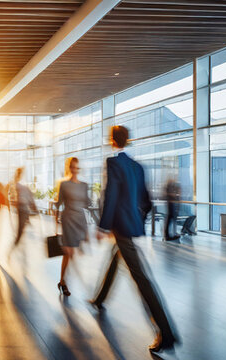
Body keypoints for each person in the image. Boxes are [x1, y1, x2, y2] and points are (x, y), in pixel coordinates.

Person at [93, 125, 176, 353]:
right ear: (127, 140)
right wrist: (137, 218)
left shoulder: (113, 163)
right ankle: (99, 298)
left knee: (141, 279)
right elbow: (147, 201)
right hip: (131, 224)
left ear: (112, 141)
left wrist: (103, 226)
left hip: (120, 227)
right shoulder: (138, 167)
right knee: (116, 257)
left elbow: (110, 196)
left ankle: (166, 333)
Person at [53, 157, 90, 296]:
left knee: (70, 254)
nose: (75, 170)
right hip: (68, 220)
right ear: (69, 168)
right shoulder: (64, 185)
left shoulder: (84, 185)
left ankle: (62, 281)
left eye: (77, 167)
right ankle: (67, 283)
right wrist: (55, 223)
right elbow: (58, 203)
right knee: (69, 252)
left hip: (79, 221)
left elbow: (87, 203)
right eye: (72, 167)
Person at [11, 167, 36, 246]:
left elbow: (28, 196)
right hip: (22, 208)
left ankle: (16, 242)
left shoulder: (21, 185)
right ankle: (16, 243)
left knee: (20, 229)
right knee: (20, 229)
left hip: (23, 208)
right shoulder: (18, 185)